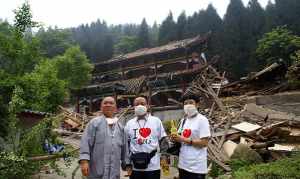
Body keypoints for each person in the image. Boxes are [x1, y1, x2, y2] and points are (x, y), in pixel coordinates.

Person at [79, 96, 129, 179]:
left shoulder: (121, 127)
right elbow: (85, 142)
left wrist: (127, 164)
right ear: (101, 107)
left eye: (111, 103)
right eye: (105, 103)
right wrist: (84, 161)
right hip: (96, 171)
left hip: (114, 172)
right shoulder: (94, 123)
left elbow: (125, 148)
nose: (108, 105)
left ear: (115, 108)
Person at [125, 97, 168, 179]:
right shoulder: (129, 124)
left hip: (153, 165)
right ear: (133, 107)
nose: (139, 106)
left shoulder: (156, 121)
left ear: (147, 106)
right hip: (135, 167)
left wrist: (164, 157)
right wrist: (127, 164)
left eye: (142, 103)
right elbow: (126, 145)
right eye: (137, 104)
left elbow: (163, 140)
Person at [171, 98, 211, 179]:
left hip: (197, 167)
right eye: (186, 103)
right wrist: (174, 138)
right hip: (183, 165)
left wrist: (182, 139)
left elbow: (204, 143)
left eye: (191, 102)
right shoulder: (183, 120)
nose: (188, 105)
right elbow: (180, 139)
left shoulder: (202, 120)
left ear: (197, 104)